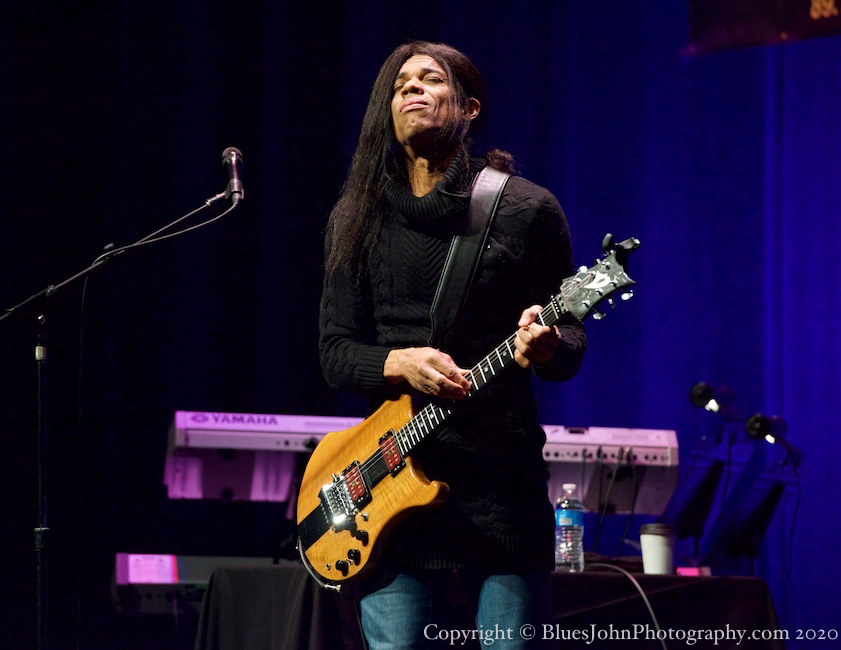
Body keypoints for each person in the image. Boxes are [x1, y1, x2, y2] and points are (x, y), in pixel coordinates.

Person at [318, 41, 587, 648]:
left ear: (469, 108)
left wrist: (546, 346)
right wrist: (398, 362)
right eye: (399, 84)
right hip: (390, 492)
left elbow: (570, 341)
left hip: (501, 491)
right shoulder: (355, 216)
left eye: (430, 80)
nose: (411, 89)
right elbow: (334, 352)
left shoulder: (526, 208)